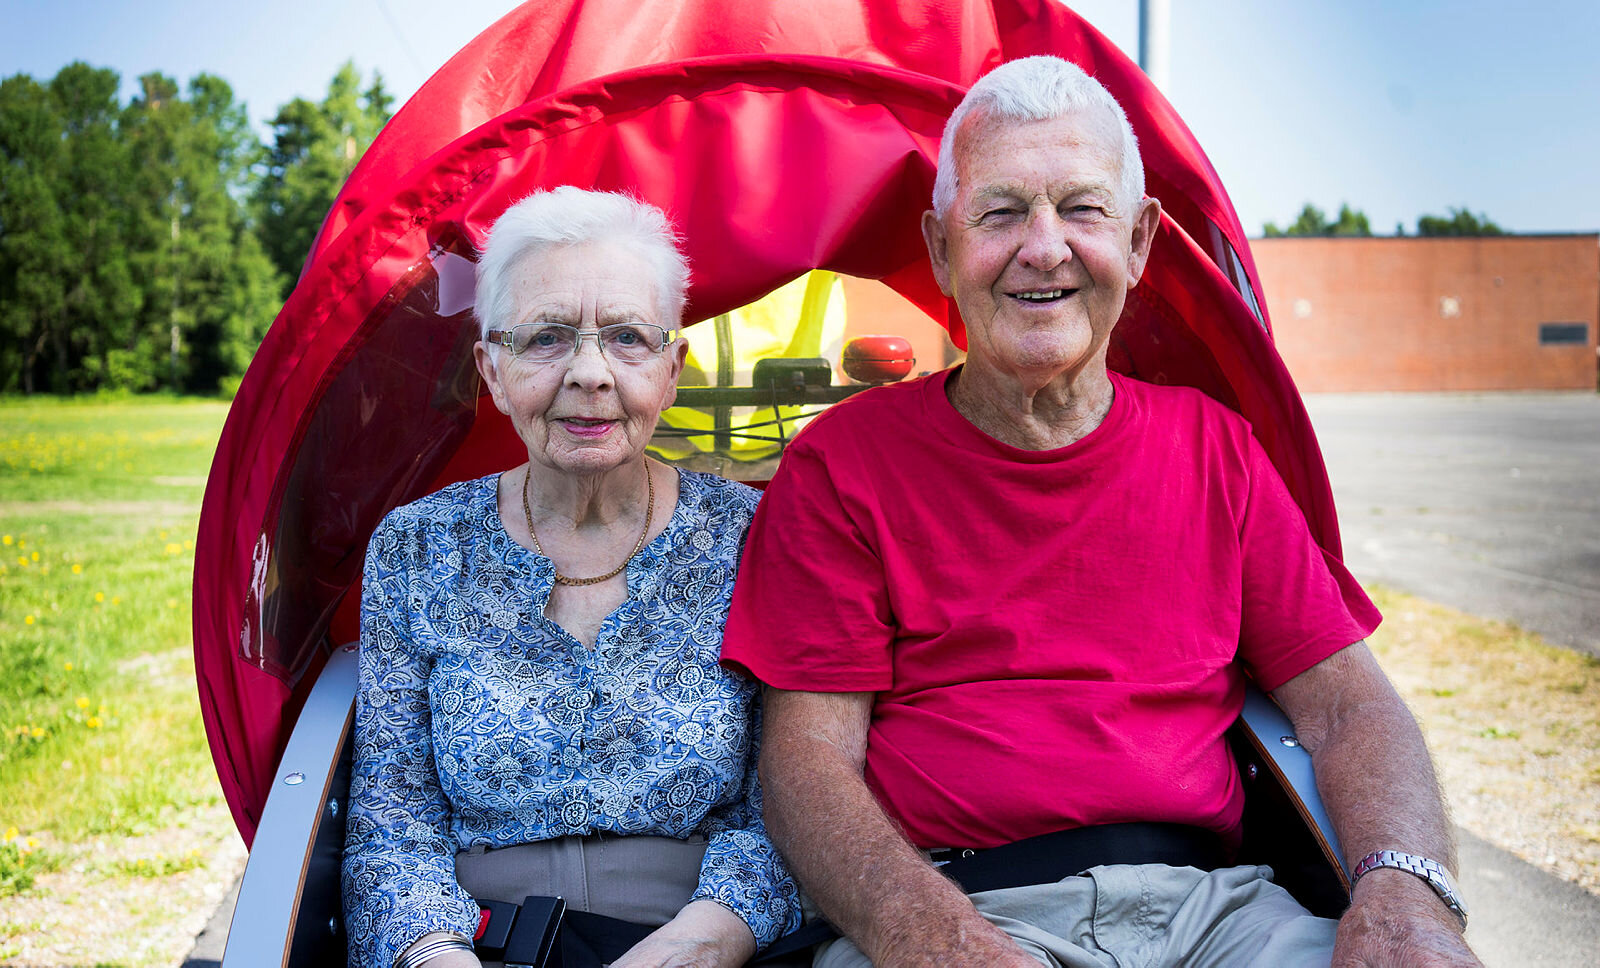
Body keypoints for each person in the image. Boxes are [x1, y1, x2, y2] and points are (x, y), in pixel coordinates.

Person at [721, 57, 1481, 967]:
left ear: (1140, 242)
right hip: (961, 906)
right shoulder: (843, 467)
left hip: (1221, 915)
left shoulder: (1219, 452)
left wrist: (1404, 895)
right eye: (1000, 213)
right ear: (939, 250)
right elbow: (807, 764)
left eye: (1082, 210)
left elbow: (1352, 709)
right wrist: (928, 934)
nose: (1044, 248)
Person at [342, 187, 799, 968]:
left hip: (710, 943)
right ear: (491, 368)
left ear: (672, 368)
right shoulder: (417, 548)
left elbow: (793, 804)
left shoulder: (756, 539)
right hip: (476, 944)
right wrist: (434, 956)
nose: (590, 374)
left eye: (627, 339)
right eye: (547, 339)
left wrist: (700, 945)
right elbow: (393, 819)